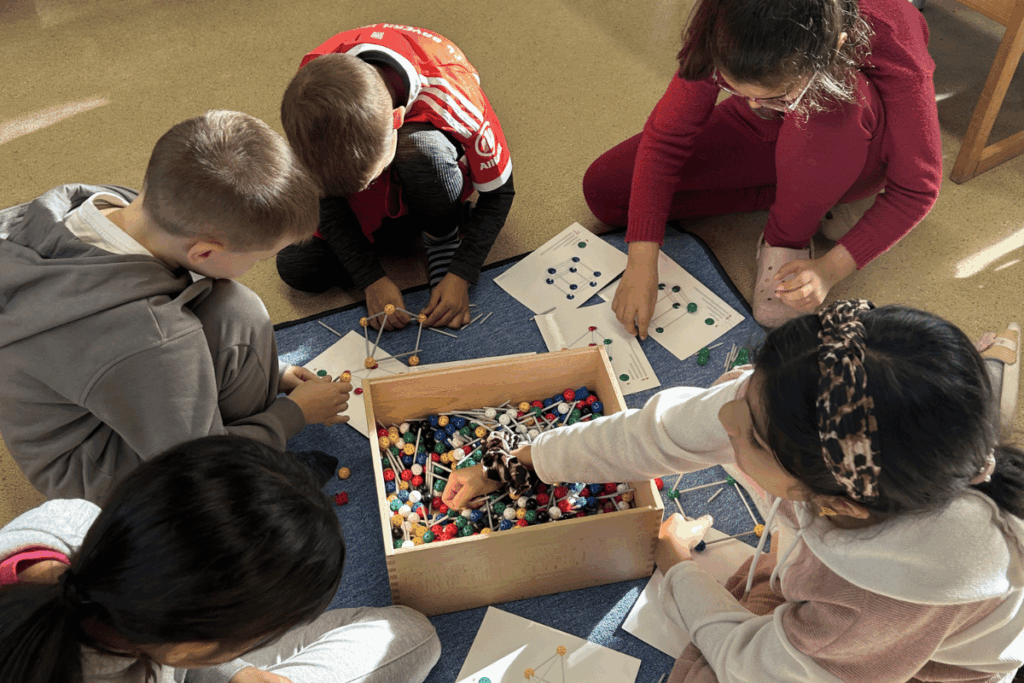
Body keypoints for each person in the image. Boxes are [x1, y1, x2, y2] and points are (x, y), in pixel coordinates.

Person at [444, 301, 1024, 682]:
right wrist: (522, 462)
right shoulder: (816, 394)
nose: (724, 415)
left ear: (835, 503)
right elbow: (657, 433)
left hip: (920, 662)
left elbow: (759, 667)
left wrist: (681, 573)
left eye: (746, 435)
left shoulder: (886, 601)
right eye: (746, 391)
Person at [0, 111, 352, 503]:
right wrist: (293, 415)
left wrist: (276, 369)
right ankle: (254, 472)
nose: (258, 267)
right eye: (261, 258)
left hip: (73, 404)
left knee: (238, 311)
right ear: (203, 251)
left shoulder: (100, 205)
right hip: (94, 473)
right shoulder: (153, 338)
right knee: (212, 480)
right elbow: (196, 464)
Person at [585, 0, 940, 330]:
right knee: (608, 192)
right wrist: (643, 259)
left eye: (776, 96)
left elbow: (916, 189)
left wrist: (829, 271)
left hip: (847, 139)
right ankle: (810, 196)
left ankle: (789, 234)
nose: (753, 104)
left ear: (834, 46)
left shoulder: (893, 28)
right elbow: (666, 139)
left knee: (835, 96)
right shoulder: (728, 17)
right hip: (783, 137)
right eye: (736, 89)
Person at [0, 435, 441, 683]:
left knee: (407, 631)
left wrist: (237, 674)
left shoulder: (71, 519)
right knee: (412, 638)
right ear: (195, 644)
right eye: (257, 638)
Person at [277, 23, 515, 330]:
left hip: (428, 169)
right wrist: (371, 279)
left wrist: (461, 272)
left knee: (419, 149)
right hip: (370, 194)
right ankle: (408, 229)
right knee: (296, 267)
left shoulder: (456, 96)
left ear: (396, 119)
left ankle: (441, 235)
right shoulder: (310, 94)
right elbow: (322, 198)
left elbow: (500, 193)